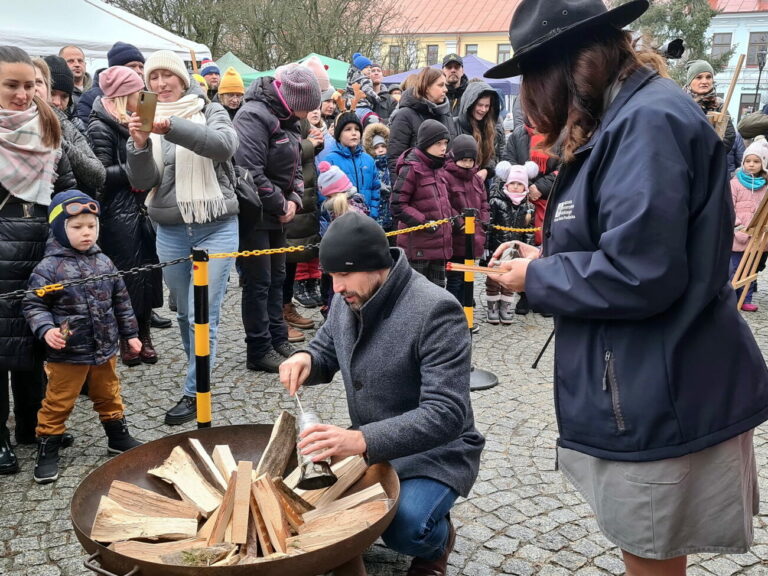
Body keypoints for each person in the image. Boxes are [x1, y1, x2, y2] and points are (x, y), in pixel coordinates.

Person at [484, 1, 768, 574]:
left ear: (563, 69)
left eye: (532, 82)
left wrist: (537, 276)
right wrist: (549, 256)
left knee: (653, 555)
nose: (533, 104)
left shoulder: (646, 122)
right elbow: (627, 240)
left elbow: (642, 272)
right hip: (645, 379)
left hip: (659, 385)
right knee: (647, 549)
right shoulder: (628, 116)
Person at [279, 211, 484, 576]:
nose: (336, 288)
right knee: (312, 504)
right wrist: (305, 358)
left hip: (436, 449)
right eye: (331, 277)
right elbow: (326, 347)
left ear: (375, 265)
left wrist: (359, 439)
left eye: (343, 275)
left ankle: (439, 539)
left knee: (405, 529)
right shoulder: (350, 297)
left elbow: (446, 414)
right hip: (371, 442)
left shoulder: (437, 310)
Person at [125, 50, 240, 426]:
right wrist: (139, 145)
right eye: (153, 78)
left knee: (204, 312)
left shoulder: (209, 109)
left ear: (182, 78)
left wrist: (170, 126)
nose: (160, 84)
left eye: (166, 76)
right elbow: (143, 183)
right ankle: (198, 373)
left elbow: (224, 146)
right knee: (184, 312)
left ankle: (195, 390)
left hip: (217, 223)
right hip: (170, 228)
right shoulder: (146, 113)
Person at [22, 190, 143, 484]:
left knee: (109, 393)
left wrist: (131, 335)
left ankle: (117, 436)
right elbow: (33, 303)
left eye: (91, 226)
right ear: (60, 228)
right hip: (67, 351)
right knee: (58, 401)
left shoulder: (104, 262)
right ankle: (48, 448)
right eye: (77, 227)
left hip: (105, 348)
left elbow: (122, 301)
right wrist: (47, 329)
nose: (86, 233)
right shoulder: (48, 267)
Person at [0, 46, 76, 475]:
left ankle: (32, 425)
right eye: (12, 85)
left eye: (29, 84)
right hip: (0, 247)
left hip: (41, 246)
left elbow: (64, 184)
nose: (23, 94)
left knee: (33, 342)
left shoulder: (47, 121)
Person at [233, 65, 321, 373]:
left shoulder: (289, 120)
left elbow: (298, 165)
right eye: (303, 109)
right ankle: (258, 348)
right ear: (290, 99)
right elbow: (249, 170)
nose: (304, 115)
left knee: (276, 278)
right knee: (258, 282)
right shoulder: (253, 115)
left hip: (281, 212)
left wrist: (294, 198)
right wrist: (279, 202)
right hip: (255, 214)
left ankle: (277, 336)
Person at [89, 65, 163, 365]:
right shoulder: (100, 125)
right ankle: (127, 337)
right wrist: (136, 171)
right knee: (126, 279)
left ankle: (144, 333)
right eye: (137, 92)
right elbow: (99, 174)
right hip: (117, 212)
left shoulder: (137, 120)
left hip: (143, 208)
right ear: (123, 95)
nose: (143, 96)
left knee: (149, 273)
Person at [390, 119, 456, 287]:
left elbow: (442, 203)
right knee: (416, 296)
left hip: (439, 247)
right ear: (427, 144)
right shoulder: (411, 168)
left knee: (438, 297)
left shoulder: (439, 168)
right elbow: (398, 204)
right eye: (439, 143)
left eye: (445, 143)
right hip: (418, 247)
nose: (443, 148)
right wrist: (424, 223)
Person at [32, 57, 105, 197]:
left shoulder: (71, 124)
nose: (57, 102)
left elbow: (98, 174)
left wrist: (60, 143)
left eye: (64, 96)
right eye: (53, 93)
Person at [485, 161, 536, 321]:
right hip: (497, 249)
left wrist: (528, 252)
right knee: (493, 279)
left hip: (515, 252)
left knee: (510, 281)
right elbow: (489, 225)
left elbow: (529, 232)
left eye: (519, 184)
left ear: (525, 187)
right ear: (506, 184)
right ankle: (492, 307)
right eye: (512, 183)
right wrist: (486, 246)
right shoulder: (496, 201)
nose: (515, 186)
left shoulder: (528, 207)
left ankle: (506, 307)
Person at [443, 135, 489, 305]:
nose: (468, 164)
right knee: (455, 280)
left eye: (471, 160)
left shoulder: (476, 179)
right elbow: (445, 204)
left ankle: (466, 309)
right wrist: (459, 223)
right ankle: (452, 312)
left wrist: (483, 222)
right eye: (464, 160)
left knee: (468, 278)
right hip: (456, 238)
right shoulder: (446, 177)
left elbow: (484, 202)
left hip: (474, 237)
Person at [387, 67, 454, 185]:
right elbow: (395, 159)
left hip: (444, 189)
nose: (445, 89)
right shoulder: (405, 115)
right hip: (416, 189)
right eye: (440, 85)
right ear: (426, 87)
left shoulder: (446, 114)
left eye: (445, 85)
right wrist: (401, 193)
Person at [729, 140, 768, 311]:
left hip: (758, 236)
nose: (751, 164)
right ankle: (730, 298)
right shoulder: (735, 183)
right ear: (743, 162)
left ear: (763, 163)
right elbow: (729, 205)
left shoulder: (765, 186)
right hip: (738, 234)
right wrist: (738, 225)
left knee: (751, 269)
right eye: (748, 161)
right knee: (734, 268)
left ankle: (746, 298)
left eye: (756, 161)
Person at [325, 111, 381, 219]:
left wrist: (372, 214)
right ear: (339, 135)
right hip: (342, 223)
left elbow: (375, 189)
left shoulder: (368, 160)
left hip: (367, 221)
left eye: (357, 129)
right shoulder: (330, 160)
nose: (354, 133)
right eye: (348, 129)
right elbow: (324, 196)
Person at [76, 41, 145, 124]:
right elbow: (89, 132)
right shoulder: (89, 99)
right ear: (115, 70)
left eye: (141, 67)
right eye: (132, 66)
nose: (139, 71)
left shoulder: (146, 95)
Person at [684, 59, 735, 153]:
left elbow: (729, 136)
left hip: (710, 159)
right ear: (690, 81)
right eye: (699, 77)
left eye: (708, 77)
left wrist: (713, 153)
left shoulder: (719, 105)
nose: (704, 81)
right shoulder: (680, 102)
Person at [455, 81, 501, 183]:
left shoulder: (489, 127)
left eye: (487, 106)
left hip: (481, 184)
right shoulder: (454, 125)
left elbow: (493, 156)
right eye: (480, 105)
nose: (483, 109)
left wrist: (486, 170)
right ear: (470, 104)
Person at [363, 121, 393, 233]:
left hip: (391, 214)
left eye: (383, 146)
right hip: (377, 215)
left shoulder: (392, 165)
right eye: (376, 147)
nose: (380, 150)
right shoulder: (370, 166)